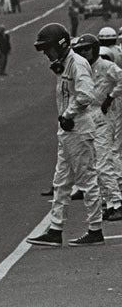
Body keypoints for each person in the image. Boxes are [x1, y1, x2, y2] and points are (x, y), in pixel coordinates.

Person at [27, 23, 104, 247]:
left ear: (59, 46)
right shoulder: (63, 64)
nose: (46, 55)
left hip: (78, 129)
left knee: (87, 180)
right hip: (68, 130)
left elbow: (85, 95)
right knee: (60, 182)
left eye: (48, 49)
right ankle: (55, 229)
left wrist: (68, 115)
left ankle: (95, 229)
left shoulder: (77, 64)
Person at [70, 34, 122, 220]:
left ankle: (116, 203)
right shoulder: (83, 68)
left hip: (103, 117)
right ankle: (109, 202)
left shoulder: (107, 66)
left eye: (87, 48)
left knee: (103, 163)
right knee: (92, 164)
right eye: (81, 50)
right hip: (88, 118)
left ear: (95, 47)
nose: (84, 52)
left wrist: (111, 96)